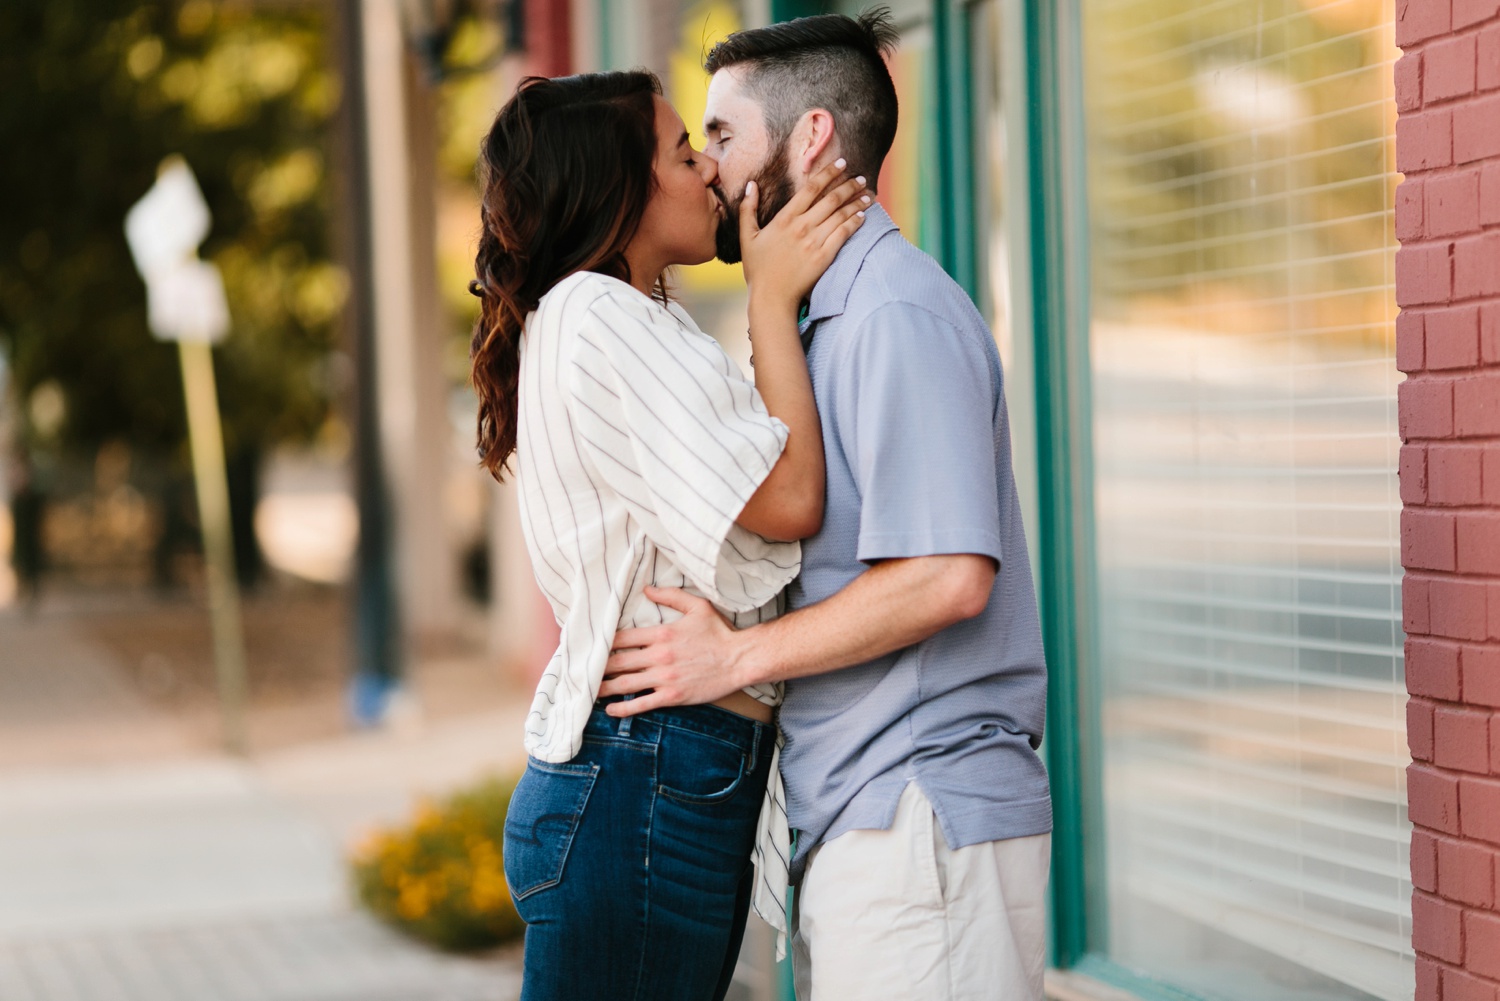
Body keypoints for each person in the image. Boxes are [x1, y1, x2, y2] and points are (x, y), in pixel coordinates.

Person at [599, 11, 1053, 1000]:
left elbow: (947, 573)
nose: (707, 168)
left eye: (721, 136)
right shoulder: (822, 321)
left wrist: (737, 655)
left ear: (809, 139)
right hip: (872, 824)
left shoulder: (893, 314)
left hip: (921, 823)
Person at [469, 70, 868, 1001]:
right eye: (684, 152)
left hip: (663, 773)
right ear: (623, 190)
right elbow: (791, 497)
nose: (709, 173)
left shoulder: (629, 317)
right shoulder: (597, 314)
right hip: (644, 777)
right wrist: (771, 300)